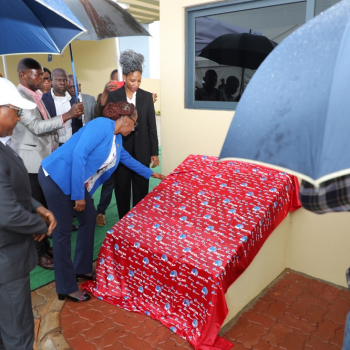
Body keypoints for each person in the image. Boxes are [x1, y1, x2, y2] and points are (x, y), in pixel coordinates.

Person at [38, 101, 165, 302]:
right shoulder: (101, 125)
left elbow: (127, 159)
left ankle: (82, 267)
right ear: (125, 119)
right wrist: (78, 194)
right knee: (62, 233)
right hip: (57, 176)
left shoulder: (116, 139)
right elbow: (79, 154)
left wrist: (154, 174)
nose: (135, 127)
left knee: (88, 218)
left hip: (74, 181)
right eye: (135, 123)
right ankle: (66, 287)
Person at [10, 58, 83, 270]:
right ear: (23, 75)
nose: (42, 78)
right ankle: (39, 253)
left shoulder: (37, 95)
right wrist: (67, 115)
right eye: (37, 74)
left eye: (42, 74)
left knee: (43, 205)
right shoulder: (20, 96)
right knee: (36, 209)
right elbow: (35, 126)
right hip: (30, 161)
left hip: (44, 158)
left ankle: (45, 245)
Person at [0, 77, 56, 350]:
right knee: (18, 335)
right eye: (16, 111)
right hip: (6, 262)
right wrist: (39, 224)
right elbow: (7, 212)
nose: (18, 117)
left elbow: (12, 190)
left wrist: (37, 206)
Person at [97, 50, 160, 226]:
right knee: (122, 189)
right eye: (133, 80)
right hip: (121, 149)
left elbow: (151, 126)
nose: (136, 84)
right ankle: (124, 223)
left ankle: (139, 223)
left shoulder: (147, 97)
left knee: (141, 189)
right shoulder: (114, 96)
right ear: (124, 77)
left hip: (142, 149)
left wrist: (154, 152)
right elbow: (108, 121)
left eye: (139, 80)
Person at [42, 69, 84, 145]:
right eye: (59, 80)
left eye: (65, 80)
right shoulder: (43, 100)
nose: (62, 83)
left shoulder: (74, 101)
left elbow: (78, 126)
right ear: (51, 80)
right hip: (52, 146)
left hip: (71, 144)